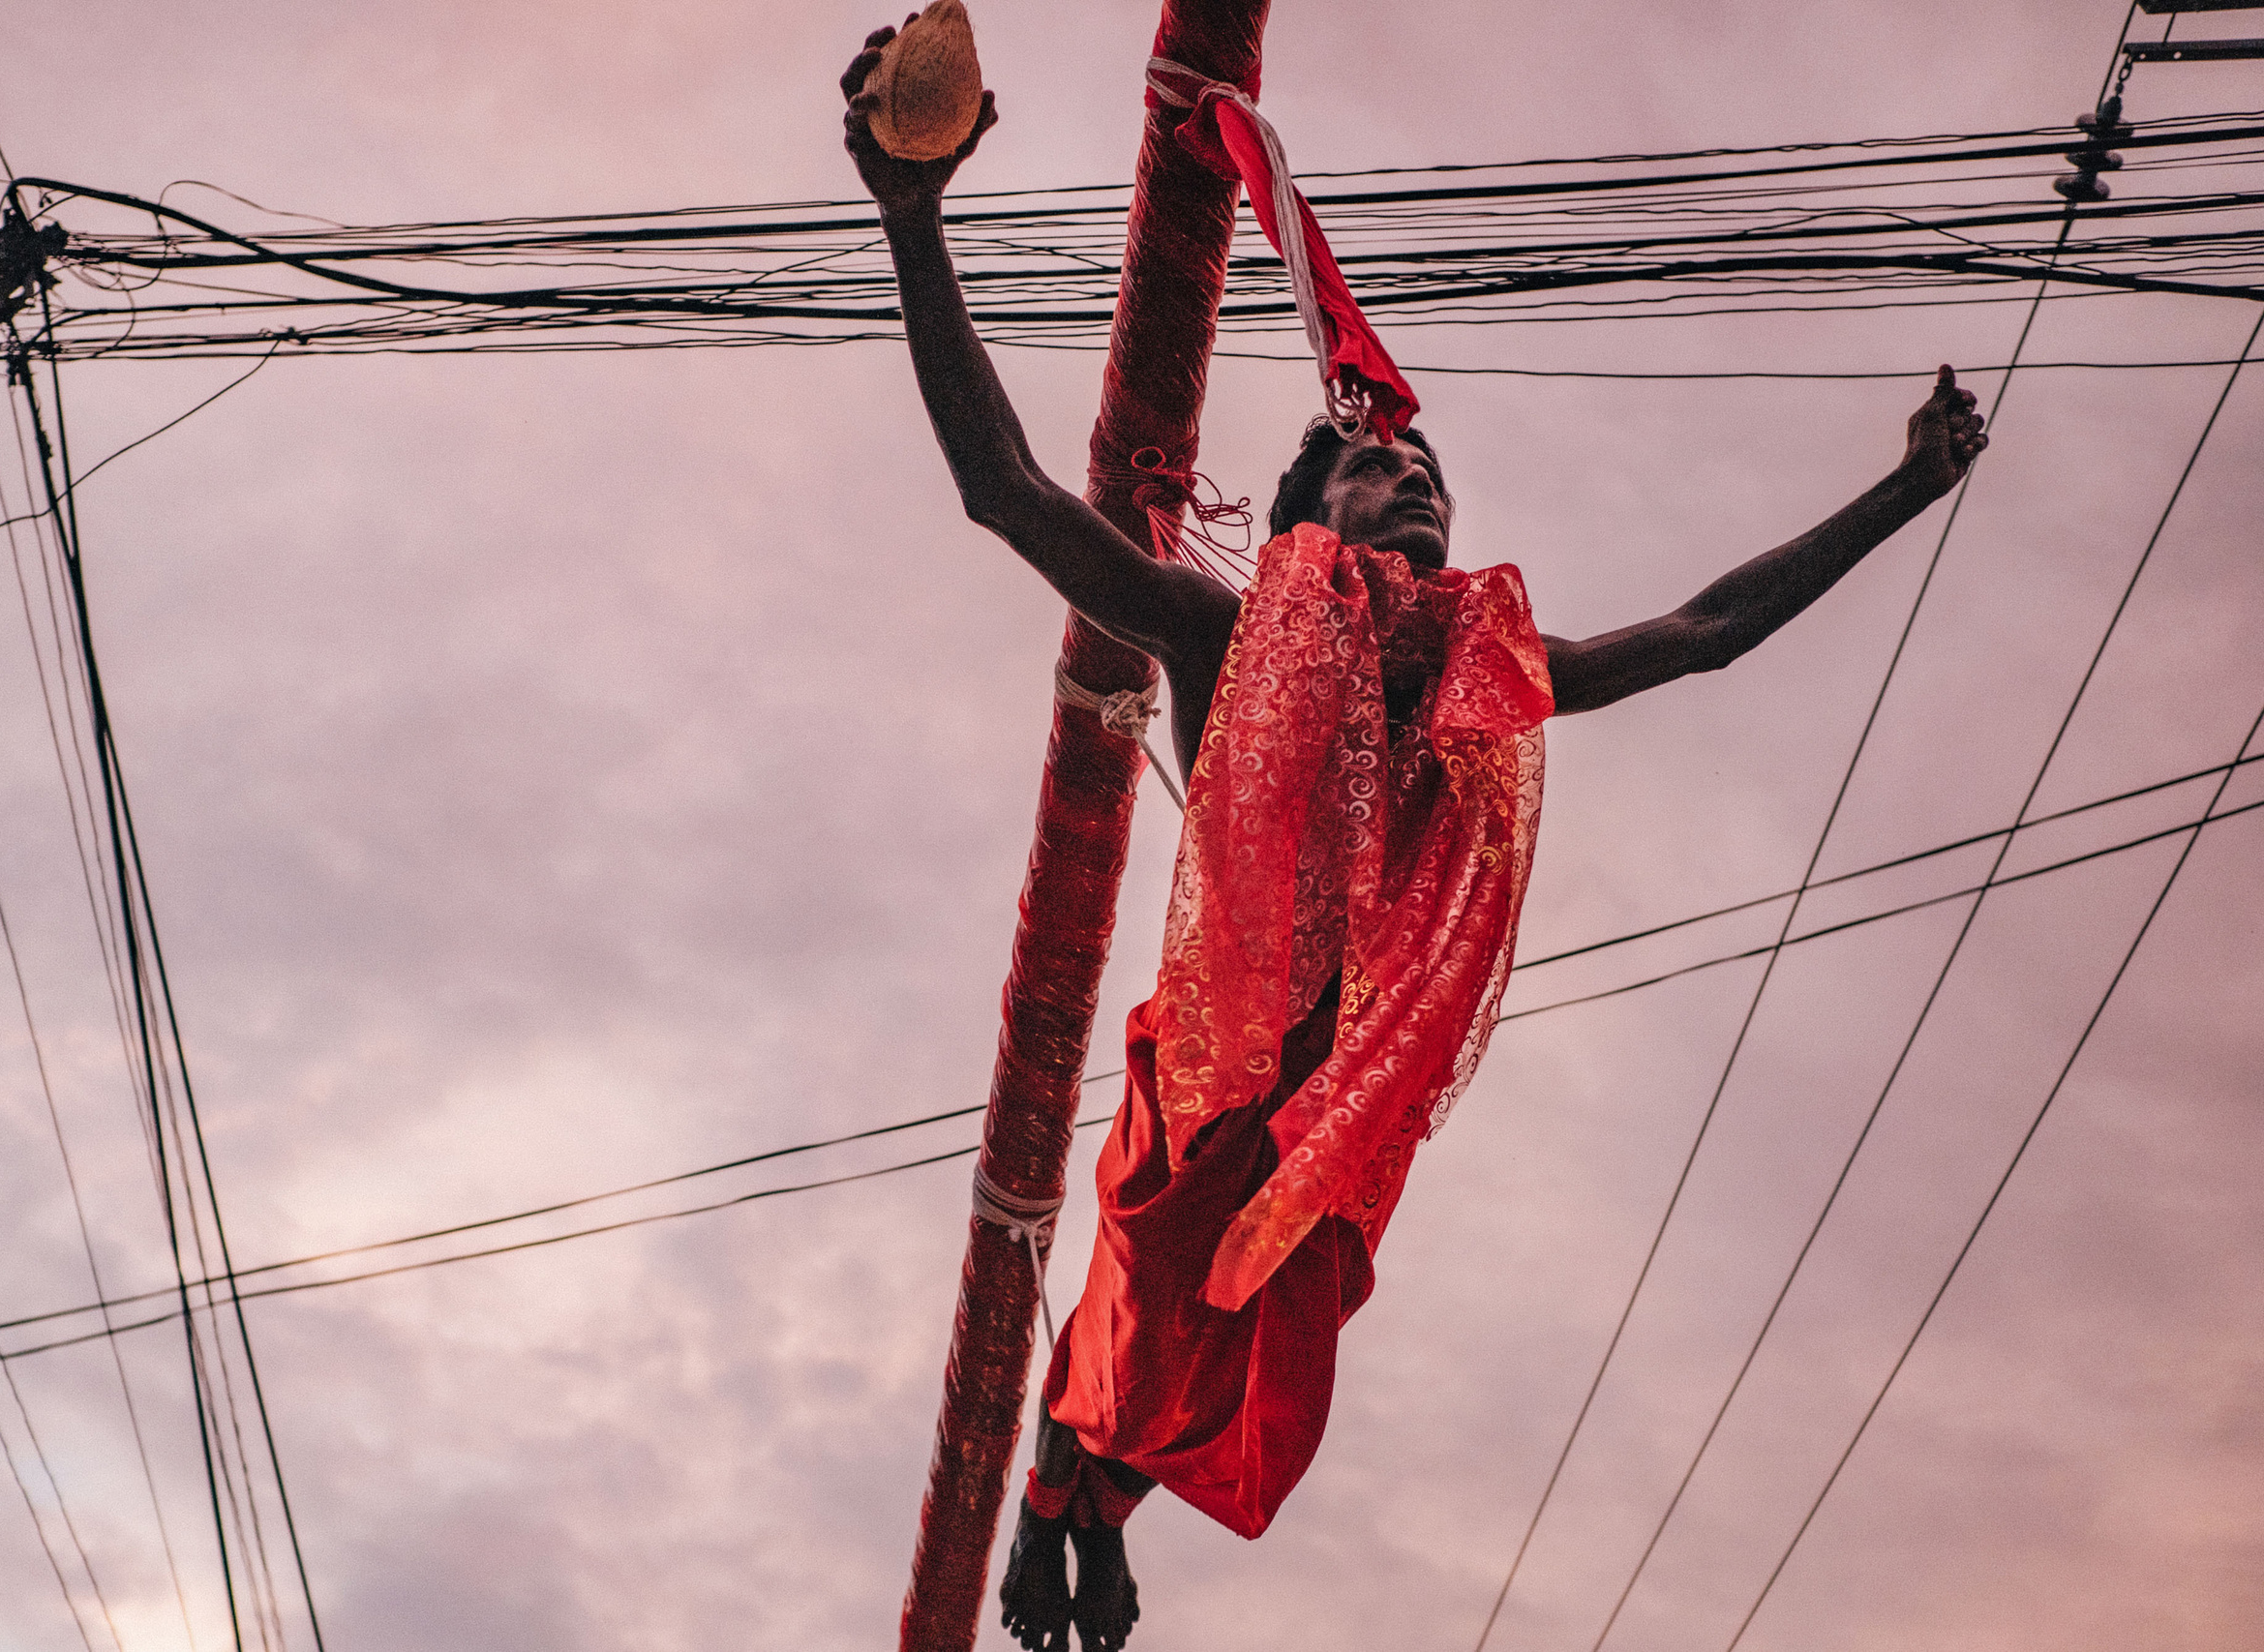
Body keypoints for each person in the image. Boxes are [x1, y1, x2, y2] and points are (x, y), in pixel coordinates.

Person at [840, 30, 1988, 1652]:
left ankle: (1091, 1504)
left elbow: (1710, 629)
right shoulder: (1222, 636)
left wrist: (1903, 492)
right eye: (1379, 465)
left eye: (1426, 466)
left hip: (1342, 1120)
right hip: (1215, 1093)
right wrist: (911, 216)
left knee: (1243, 1390)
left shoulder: (1488, 676)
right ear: (1311, 520)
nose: (1416, 481)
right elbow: (1003, 491)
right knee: (1142, 1341)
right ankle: (1055, 1495)